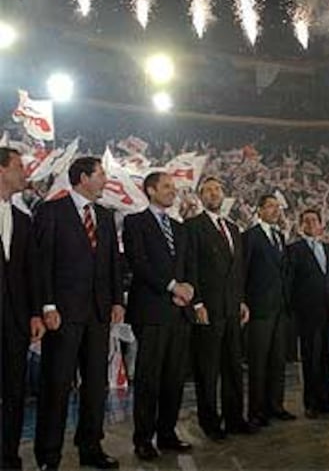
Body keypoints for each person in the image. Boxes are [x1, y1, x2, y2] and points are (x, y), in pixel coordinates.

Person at [34, 157, 124, 471]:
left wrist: (116, 300)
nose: (106, 180)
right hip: (63, 313)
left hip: (99, 314)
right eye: (101, 175)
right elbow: (42, 262)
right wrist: (47, 305)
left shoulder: (105, 215)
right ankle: (48, 456)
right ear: (83, 178)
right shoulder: (51, 211)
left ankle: (90, 447)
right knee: (56, 385)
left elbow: (113, 261)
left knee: (95, 385)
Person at [123, 172, 193, 461]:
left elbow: (186, 266)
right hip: (150, 311)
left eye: (173, 188)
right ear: (151, 190)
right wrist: (171, 286)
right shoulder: (134, 222)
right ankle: (143, 439)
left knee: (174, 377)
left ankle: (167, 433)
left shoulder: (179, 227)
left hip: (179, 311)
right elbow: (138, 263)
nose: (172, 192)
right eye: (166, 187)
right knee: (149, 378)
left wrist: (186, 289)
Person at [185, 177, 255, 441]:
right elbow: (191, 267)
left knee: (233, 366)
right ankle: (210, 422)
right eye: (208, 190)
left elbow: (238, 271)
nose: (214, 193)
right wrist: (198, 303)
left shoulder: (233, 228)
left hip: (232, 309)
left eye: (217, 189)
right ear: (200, 196)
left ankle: (235, 417)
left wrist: (242, 300)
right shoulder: (192, 227)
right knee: (208, 369)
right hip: (208, 309)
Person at [0, 147, 44, 470]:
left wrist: (34, 313)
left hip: (15, 322)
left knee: (15, 394)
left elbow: (32, 272)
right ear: (1, 170)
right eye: (19, 166)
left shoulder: (23, 219)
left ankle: (9, 455)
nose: (24, 172)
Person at [289, 209, 329, 419]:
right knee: (310, 359)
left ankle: (327, 400)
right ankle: (311, 402)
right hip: (307, 314)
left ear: (321, 225)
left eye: (314, 220)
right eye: (306, 221)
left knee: (328, 358)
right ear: (301, 226)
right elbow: (290, 283)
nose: (311, 224)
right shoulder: (294, 249)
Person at [243, 195, 295, 426]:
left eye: (278, 207)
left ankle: (276, 406)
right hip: (259, 309)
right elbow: (242, 273)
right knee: (258, 362)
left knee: (277, 361)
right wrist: (243, 302)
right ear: (260, 210)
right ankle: (256, 411)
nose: (276, 211)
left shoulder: (280, 237)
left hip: (280, 310)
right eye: (271, 206)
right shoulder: (250, 237)